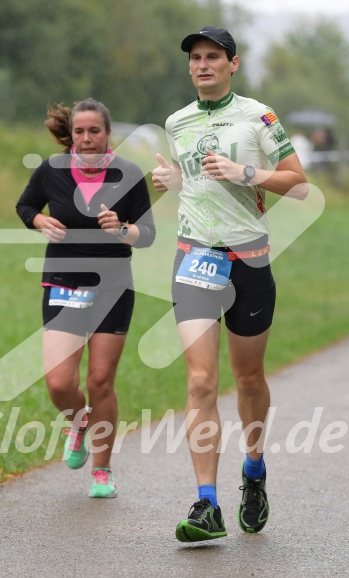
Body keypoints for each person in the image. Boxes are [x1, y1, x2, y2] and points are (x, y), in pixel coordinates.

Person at [152, 26, 307, 542]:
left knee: (248, 381)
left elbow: (298, 182)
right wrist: (176, 181)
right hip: (195, 258)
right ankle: (206, 505)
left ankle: (255, 471)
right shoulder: (177, 122)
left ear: (232, 63)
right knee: (200, 381)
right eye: (195, 57)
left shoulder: (259, 116)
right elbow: (195, 183)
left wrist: (246, 173)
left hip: (250, 261)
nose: (202, 65)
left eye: (212, 56)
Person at [17, 98, 155, 498]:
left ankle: (102, 469)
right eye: (79, 131)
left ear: (108, 133)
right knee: (60, 383)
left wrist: (122, 228)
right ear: (71, 134)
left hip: (113, 288)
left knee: (100, 380)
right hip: (63, 283)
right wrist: (41, 220)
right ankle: (79, 423)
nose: (87, 138)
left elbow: (147, 234)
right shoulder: (52, 171)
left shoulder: (128, 174)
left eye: (94, 131)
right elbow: (25, 206)